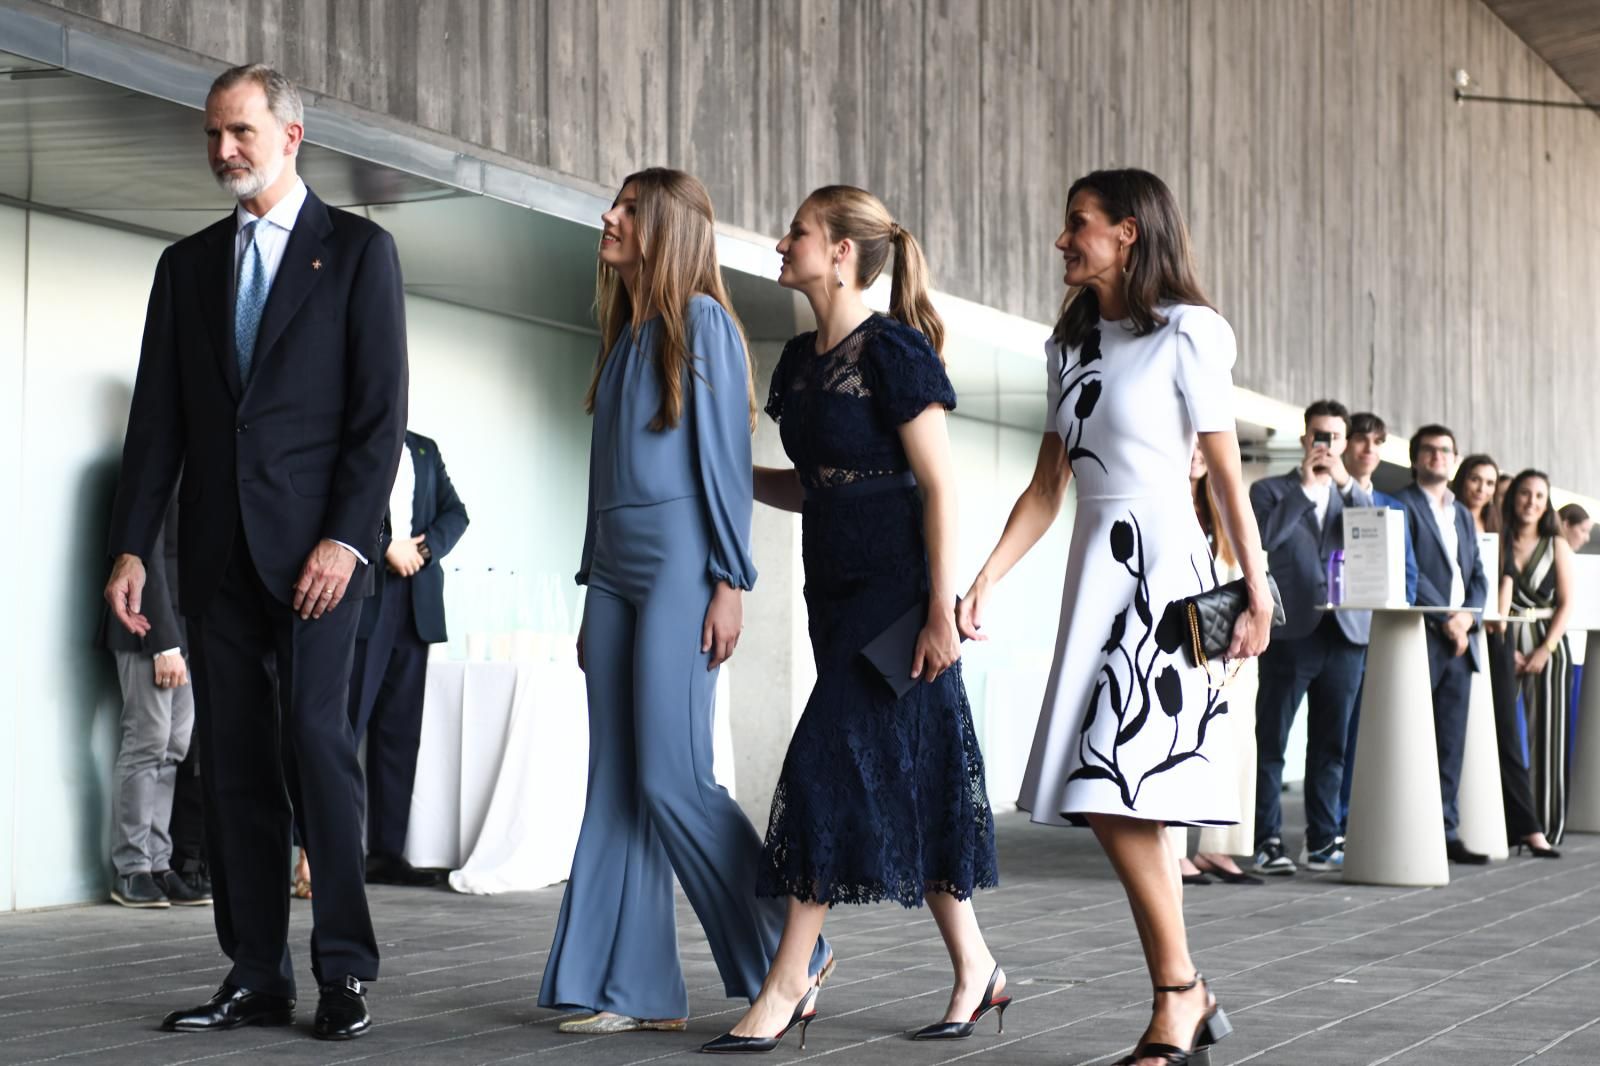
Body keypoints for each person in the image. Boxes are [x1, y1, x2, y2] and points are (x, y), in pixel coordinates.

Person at [103, 63, 407, 1039]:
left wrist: (346, 539)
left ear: (291, 135)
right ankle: (256, 971)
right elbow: (157, 423)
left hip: (321, 560)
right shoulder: (186, 267)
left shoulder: (358, 253)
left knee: (315, 745)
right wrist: (131, 549)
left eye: (239, 131)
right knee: (230, 763)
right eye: (212, 133)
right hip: (217, 556)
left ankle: (344, 970)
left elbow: (379, 419)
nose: (223, 149)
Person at [960, 169, 1271, 1066]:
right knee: (1127, 795)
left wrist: (1256, 590)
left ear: (1128, 232)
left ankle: (1179, 993)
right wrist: (986, 578)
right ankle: (1184, 991)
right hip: (1095, 574)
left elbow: (1224, 475)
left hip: (1168, 578)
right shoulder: (1068, 347)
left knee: (1114, 785)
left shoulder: (1190, 332)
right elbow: (1047, 487)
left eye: (1079, 224)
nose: (1063, 240)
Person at [707, 186, 1003, 1053]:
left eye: (796, 231)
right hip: (831, 596)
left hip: (898, 599)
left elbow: (939, 487)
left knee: (823, 767)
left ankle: (788, 981)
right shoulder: (801, 362)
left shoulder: (895, 349)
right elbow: (819, 487)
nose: (780, 242)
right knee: (914, 777)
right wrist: (727, 481)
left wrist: (940, 611)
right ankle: (978, 967)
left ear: (841, 252)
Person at [538, 168, 829, 1037]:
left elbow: (725, 464)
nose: (609, 217)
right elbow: (603, 477)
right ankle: (631, 988)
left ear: (668, 228)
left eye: (630, 209)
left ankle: (792, 952)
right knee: (617, 780)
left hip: (680, 566)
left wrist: (730, 581)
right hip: (614, 571)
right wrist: (591, 586)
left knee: (672, 776)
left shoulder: (704, 324)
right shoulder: (627, 334)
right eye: (616, 205)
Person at [1248, 401, 1372, 876]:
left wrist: (1344, 484)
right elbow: (1264, 538)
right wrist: (1304, 488)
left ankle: (1322, 840)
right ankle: (1268, 840)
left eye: (1335, 437)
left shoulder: (1352, 494)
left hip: (1345, 634)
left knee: (1331, 746)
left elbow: (1374, 536)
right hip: (1290, 633)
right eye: (1319, 435)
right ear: (1304, 438)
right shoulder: (1270, 490)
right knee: (1272, 742)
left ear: (1344, 442)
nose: (1327, 444)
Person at [348, 429, 469, 886]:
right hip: (364, 600)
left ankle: (386, 853)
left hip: (415, 606)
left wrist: (423, 548)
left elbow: (456, 513)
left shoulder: (424, 449)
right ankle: (327, 851)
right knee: (345, 728)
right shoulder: (354, 439)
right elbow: (339, 509)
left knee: (399, 735)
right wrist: (385, 549)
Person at [96, 494, 209, 908]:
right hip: (146, 628)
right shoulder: (154, 472)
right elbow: (147, 557)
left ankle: (158, 862)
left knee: (173, 747)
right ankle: (131, 869)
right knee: (148, 742)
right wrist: (164, 644)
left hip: (188, 631)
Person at [1393, 426, 1489, 864]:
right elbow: (1407, 570)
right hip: (1421, 637)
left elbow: (1478, 575)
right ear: (1415, 458)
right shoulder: (1399, 504)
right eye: (1429, 450)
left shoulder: (1463, 513)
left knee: (1451, 743)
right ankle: (1408, 830)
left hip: (1460, 643)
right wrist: (1447, 618)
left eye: (1446, 451)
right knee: (1412, 739)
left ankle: (1447, 831)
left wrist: (1468, 616)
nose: (1438, 457)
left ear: (1455, 459)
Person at [1171, 450, 1261, 887]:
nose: (1195, 453)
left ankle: (1218, 847)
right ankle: (1171, 851)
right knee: (1173, 743)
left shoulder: (1227, 504)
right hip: (1175, 639)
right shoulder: (1162, 498)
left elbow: (1253, 568)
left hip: (1230, 644)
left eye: (1202, 443)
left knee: (1239, 741)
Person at [1336, 411, 1418, 833]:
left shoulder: (1394, 507)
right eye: (1361, 439)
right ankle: (1328, 827)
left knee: (1366, 736)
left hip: (1380, 637)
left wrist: (1397, 625)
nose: (1369, 449)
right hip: (1331, 632)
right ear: (1345, 445)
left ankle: (1352, 823)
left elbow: (1408, 574)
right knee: (1332, 738)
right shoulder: (1323, 494)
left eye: (1378, 442)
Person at [1503, 470, 1576, 848]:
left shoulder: (1555, 544)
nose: (1531, 502)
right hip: (1503, 642)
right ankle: (1506, 823)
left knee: (1548, 737)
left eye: (1539, 496)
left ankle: (1546, 826)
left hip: (1548, 646)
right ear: (1513, 497)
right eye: (1525, 493)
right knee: (1500, 735)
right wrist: (1507, 647)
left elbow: (1566, 603)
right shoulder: (1498, 537)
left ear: (1547, 504)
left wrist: (1544, 648)